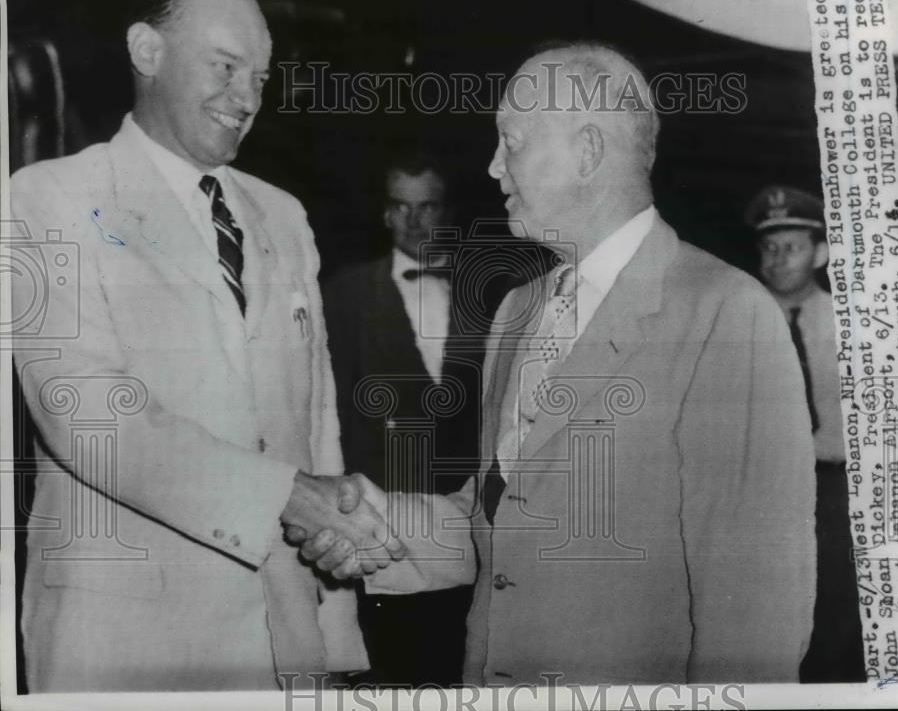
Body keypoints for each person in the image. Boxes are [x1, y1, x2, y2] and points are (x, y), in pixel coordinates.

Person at [302, 42, 818, 684]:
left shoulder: (724, 313)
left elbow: (756, 616)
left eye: (511, 141)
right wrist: (368, 522)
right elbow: (499, 516)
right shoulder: (519, 309)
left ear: (588, 151)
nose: (493, 168)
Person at [9, 0, 402, 692]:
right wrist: (282, 494)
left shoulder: (283, 216)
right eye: (225, 66)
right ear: (146, 50)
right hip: (126, 652)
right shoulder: (46, 199)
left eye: (259, 76)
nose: (245, 96)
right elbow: (85, 412)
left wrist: (335, 631)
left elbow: (316, 428)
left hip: (283, 650)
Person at [322, 154, 482, 686]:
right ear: (384, 215)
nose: (414, 222)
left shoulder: (490, 294)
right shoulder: (344, 294)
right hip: (383, 537)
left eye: (427, 207)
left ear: (448, 213)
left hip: (472, 532)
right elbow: (328, 413)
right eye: (400, 207)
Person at [745, 185, 866, 682]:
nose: (777, 260)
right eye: (769, 248)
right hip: (758, 485)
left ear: (820, 254)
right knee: (759, 604)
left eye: (791, 248)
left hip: (834, 486)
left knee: (836, 602)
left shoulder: (854, 323)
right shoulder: (736, 319)